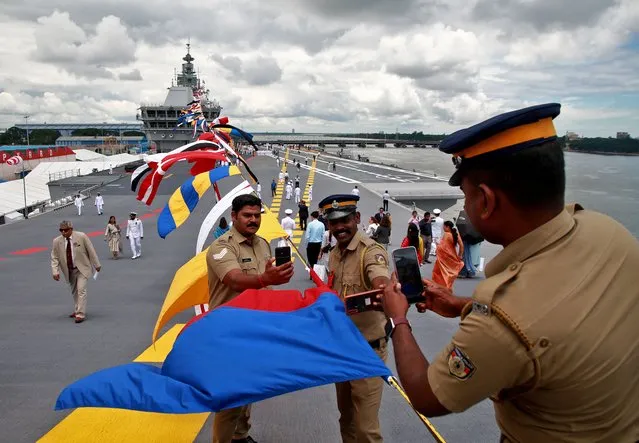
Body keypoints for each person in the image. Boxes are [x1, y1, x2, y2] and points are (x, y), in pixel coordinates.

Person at [377, 103, 639, 442]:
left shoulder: (504, 316)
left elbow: (427, 396)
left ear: (486, 200)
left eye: (467, 196)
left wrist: (398, 319)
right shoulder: (610, 233)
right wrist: (462, 306)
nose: (467, 207)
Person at [207, 194, 294, 443]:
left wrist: (276, 276)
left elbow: (265, 281)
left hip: (256, 327)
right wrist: (266, 279)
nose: (253, 220)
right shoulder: (222, 247)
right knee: (230, 397)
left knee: (249, 388)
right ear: (234, 216)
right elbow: (233, 280)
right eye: (247, 215)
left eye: (257, 215)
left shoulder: (263, 244)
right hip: (229, 331)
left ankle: (240, 435)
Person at [319, 194, 391, 443]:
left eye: (345, 220)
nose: (339, 227)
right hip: (342, 351)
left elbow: (380, 279)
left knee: (366, 430)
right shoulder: (335, 253)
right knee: (346, 419)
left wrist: (384, 289)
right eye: (334, 221)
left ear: (357, 219)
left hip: (367, 352)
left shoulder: (370, 252)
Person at [51, 220, 101, 323]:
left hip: (82, 268)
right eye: (61, 230)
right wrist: (55, 271)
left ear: (71, 229)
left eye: (66, 230)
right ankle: (77, 308)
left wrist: (97, 264)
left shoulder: (81, 236)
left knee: (81, 289)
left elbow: (91, 250)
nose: (63, 232)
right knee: (74, 291)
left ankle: (80, 314)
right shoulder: (57, 241)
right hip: (69, 270)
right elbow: (54, 257)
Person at [431, 220, 463, 288]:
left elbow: (442, 247)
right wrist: (460, 255)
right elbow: (461, 245)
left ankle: (442, 287)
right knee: (448, 273)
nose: (443, 228)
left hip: (444, 258)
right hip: (452, 257)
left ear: (447, 227)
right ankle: (446, 287)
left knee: (441, 273)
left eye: (444, 226)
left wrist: (437, 246)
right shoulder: (456, 234)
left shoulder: (447, 234)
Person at [456, 210, 484, 278]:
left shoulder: (464, 224)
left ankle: (464, 272)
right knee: (471, 257)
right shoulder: (477, 222)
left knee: (465, 257)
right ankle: (470, 272)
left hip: (466, 241)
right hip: (473, 241)